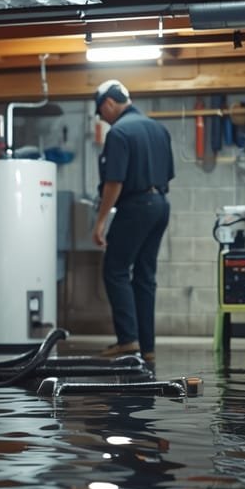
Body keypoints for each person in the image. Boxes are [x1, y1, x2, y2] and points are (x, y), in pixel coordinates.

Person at [91, 79, 174, 363]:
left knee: (115, 269)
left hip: (136, 205)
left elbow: (115, 181)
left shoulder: (120, 132)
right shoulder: (158, 129)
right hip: (161, 205)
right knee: (145, 275)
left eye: (102, 114)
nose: (103, 119)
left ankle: (128, 340)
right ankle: (146, 346)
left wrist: (100, 222)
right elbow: (168, 174)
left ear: (109, 104)